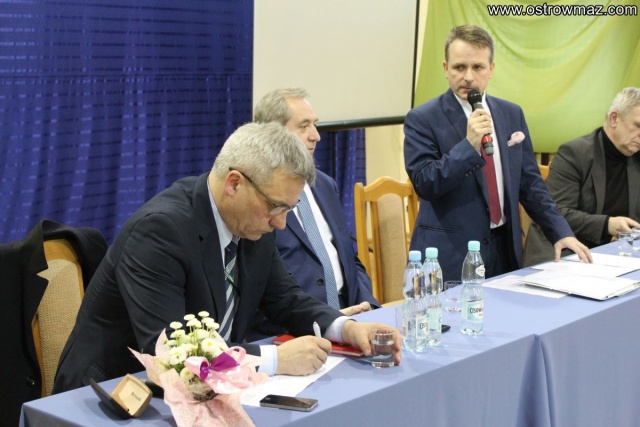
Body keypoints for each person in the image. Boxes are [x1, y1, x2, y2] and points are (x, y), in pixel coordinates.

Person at [52, 122, 401, 393]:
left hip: (208, 392)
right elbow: (172, 356)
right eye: (275, 207)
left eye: (288, 209)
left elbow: (287, 300)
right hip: (115, 393)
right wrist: (275, 359)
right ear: (234, 183)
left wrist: (348, 329)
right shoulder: (160, 231)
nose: (280, 223)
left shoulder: (252, 222)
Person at [403, 24, 591, 282]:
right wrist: (469, 146)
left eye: (478, 67)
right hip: (451, 255)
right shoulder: (423, 118)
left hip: (504, 248)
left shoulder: (511, 114)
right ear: (446, 68)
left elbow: (530, 184)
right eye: (459, 67)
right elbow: (425, 183)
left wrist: (560, 232)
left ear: (491, 69)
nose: (468, 77)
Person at [248, 88, 379, 340]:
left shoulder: (325, 184)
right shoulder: (257, 197)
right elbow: (258, 288)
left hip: (350, 319)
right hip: (294, 333)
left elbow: (348, 257)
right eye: (303, 126)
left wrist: (368, 306)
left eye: (315, 124)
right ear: (272, 134)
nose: (316, 136)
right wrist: (326, 321)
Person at [524, 87, 640, 265]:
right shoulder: (574, 153)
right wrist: (607, 225)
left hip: (618, 254)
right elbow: (555, 211)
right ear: (614, 118)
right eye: (638, 126)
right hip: (567, 252)